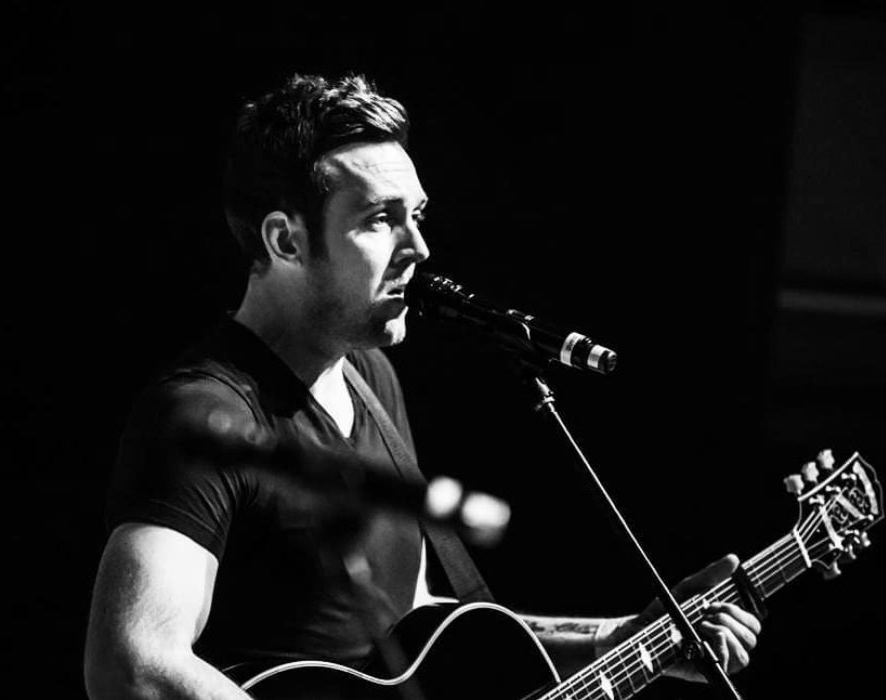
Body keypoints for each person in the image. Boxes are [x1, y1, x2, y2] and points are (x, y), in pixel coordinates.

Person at [83, 74, 763, 699]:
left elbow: (415, 630)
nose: (420, 248)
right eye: (380, 219)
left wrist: (616, 639)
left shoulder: (371, 378)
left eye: (419, 216)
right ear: (286, 241)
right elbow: (132, 664)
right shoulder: (206, 411)